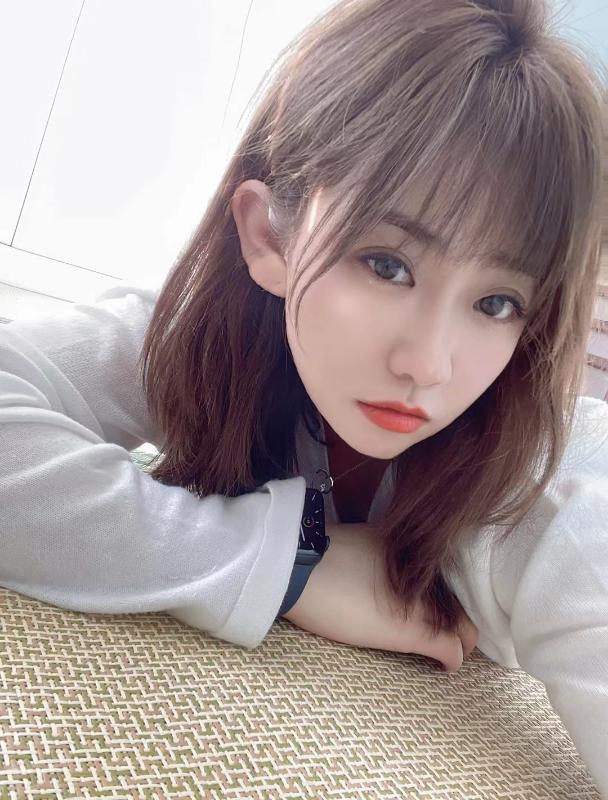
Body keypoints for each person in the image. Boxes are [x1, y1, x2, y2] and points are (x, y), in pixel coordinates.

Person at [1, 0, 606, 793]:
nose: (427, 364)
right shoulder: (206, 341)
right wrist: (284, 562)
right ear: (269, 235)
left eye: (497, 302)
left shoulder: (552, 490)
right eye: (387, 264)